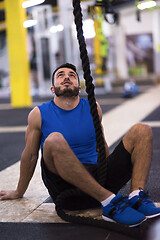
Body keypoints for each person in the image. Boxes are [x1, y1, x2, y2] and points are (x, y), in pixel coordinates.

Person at [0, 63, 160, 227]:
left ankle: (136, 196)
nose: (67, 77)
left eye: (72, 75)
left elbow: (101, 145)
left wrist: (110, 174)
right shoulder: (38, 114)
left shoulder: (93, 107)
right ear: (52, 89)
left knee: (142, 130)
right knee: (54, 139)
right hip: (66, 190)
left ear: (78, 85)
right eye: (61, 75)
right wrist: (19, 191)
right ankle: (108, 201)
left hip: (97, 178)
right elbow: (30, 155)